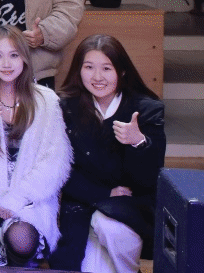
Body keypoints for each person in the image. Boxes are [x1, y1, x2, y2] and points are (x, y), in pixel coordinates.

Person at [0, 25, 70, 267]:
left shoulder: (45, 100)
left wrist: (16, 199)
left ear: (25, 59)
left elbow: (55, 162)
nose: (6, 63)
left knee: (22, 240)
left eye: (14, 55)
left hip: (27, 199)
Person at [53, 34, 166, 273]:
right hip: (82, 201)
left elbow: (150, 180)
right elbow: (59, 170)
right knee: (81, 266)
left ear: (122, 71)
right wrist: (104, 193)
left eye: (106, 68)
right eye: (89, 67)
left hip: (128, 207)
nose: (97, 77)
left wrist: (138, 143)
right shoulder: (64, 108)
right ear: (78, 70)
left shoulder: (146, 109)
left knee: (110, 230)